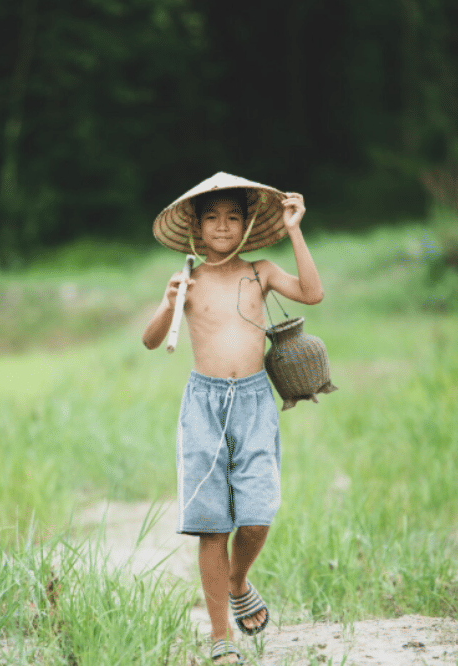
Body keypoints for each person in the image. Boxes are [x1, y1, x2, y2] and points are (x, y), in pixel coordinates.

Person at [142, 173, 323, 665]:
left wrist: (295, 231)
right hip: (204, 407)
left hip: (254, 403)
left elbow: (312, 293)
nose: (222, 226)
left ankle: (239, 579)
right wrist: (168, 301)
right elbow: (151, 340)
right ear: (196, 228)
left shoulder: (260, 272)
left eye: (232, 217)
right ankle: (220, 635)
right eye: (212, 218)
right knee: (212, 527)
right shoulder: (188, 281)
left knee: (257, 516)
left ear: (246, 224)